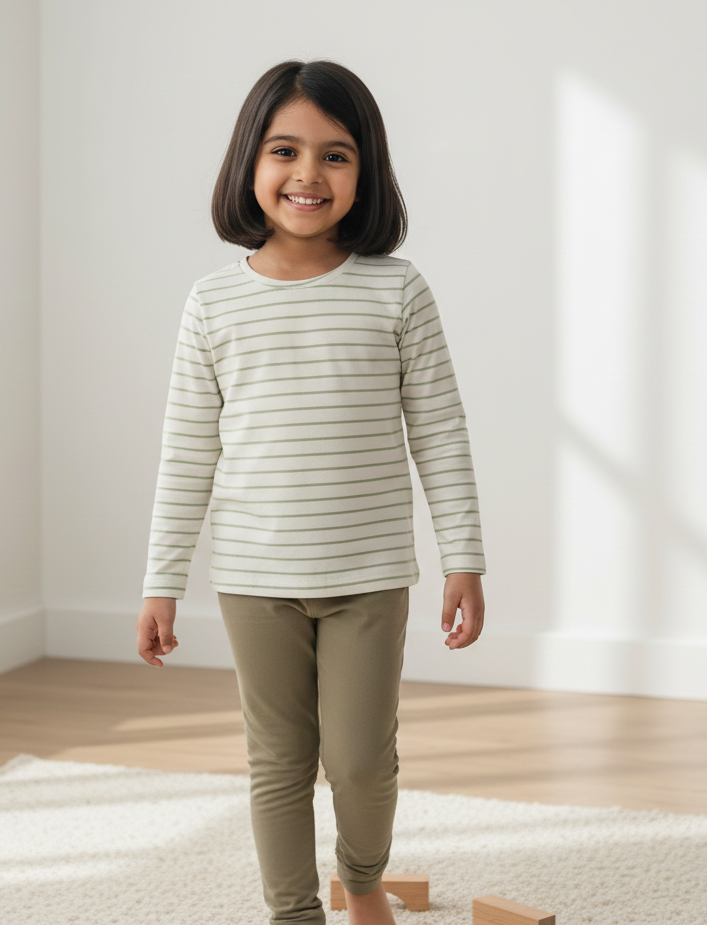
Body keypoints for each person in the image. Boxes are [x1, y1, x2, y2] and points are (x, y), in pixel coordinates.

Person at [136, 59, 486, 925]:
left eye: (336, 156)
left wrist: (464, 560)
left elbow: (440, 431)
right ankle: (293, 913)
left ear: (366, 172)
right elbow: (187, 453)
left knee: (363, 760)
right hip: (255, 580)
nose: (307, 175)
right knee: (278, 762)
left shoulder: (397, 290)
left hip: (368, 575)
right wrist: (162, 580)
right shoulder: (212, 304)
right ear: (247, 165)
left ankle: (362, 881)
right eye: (284, 150)